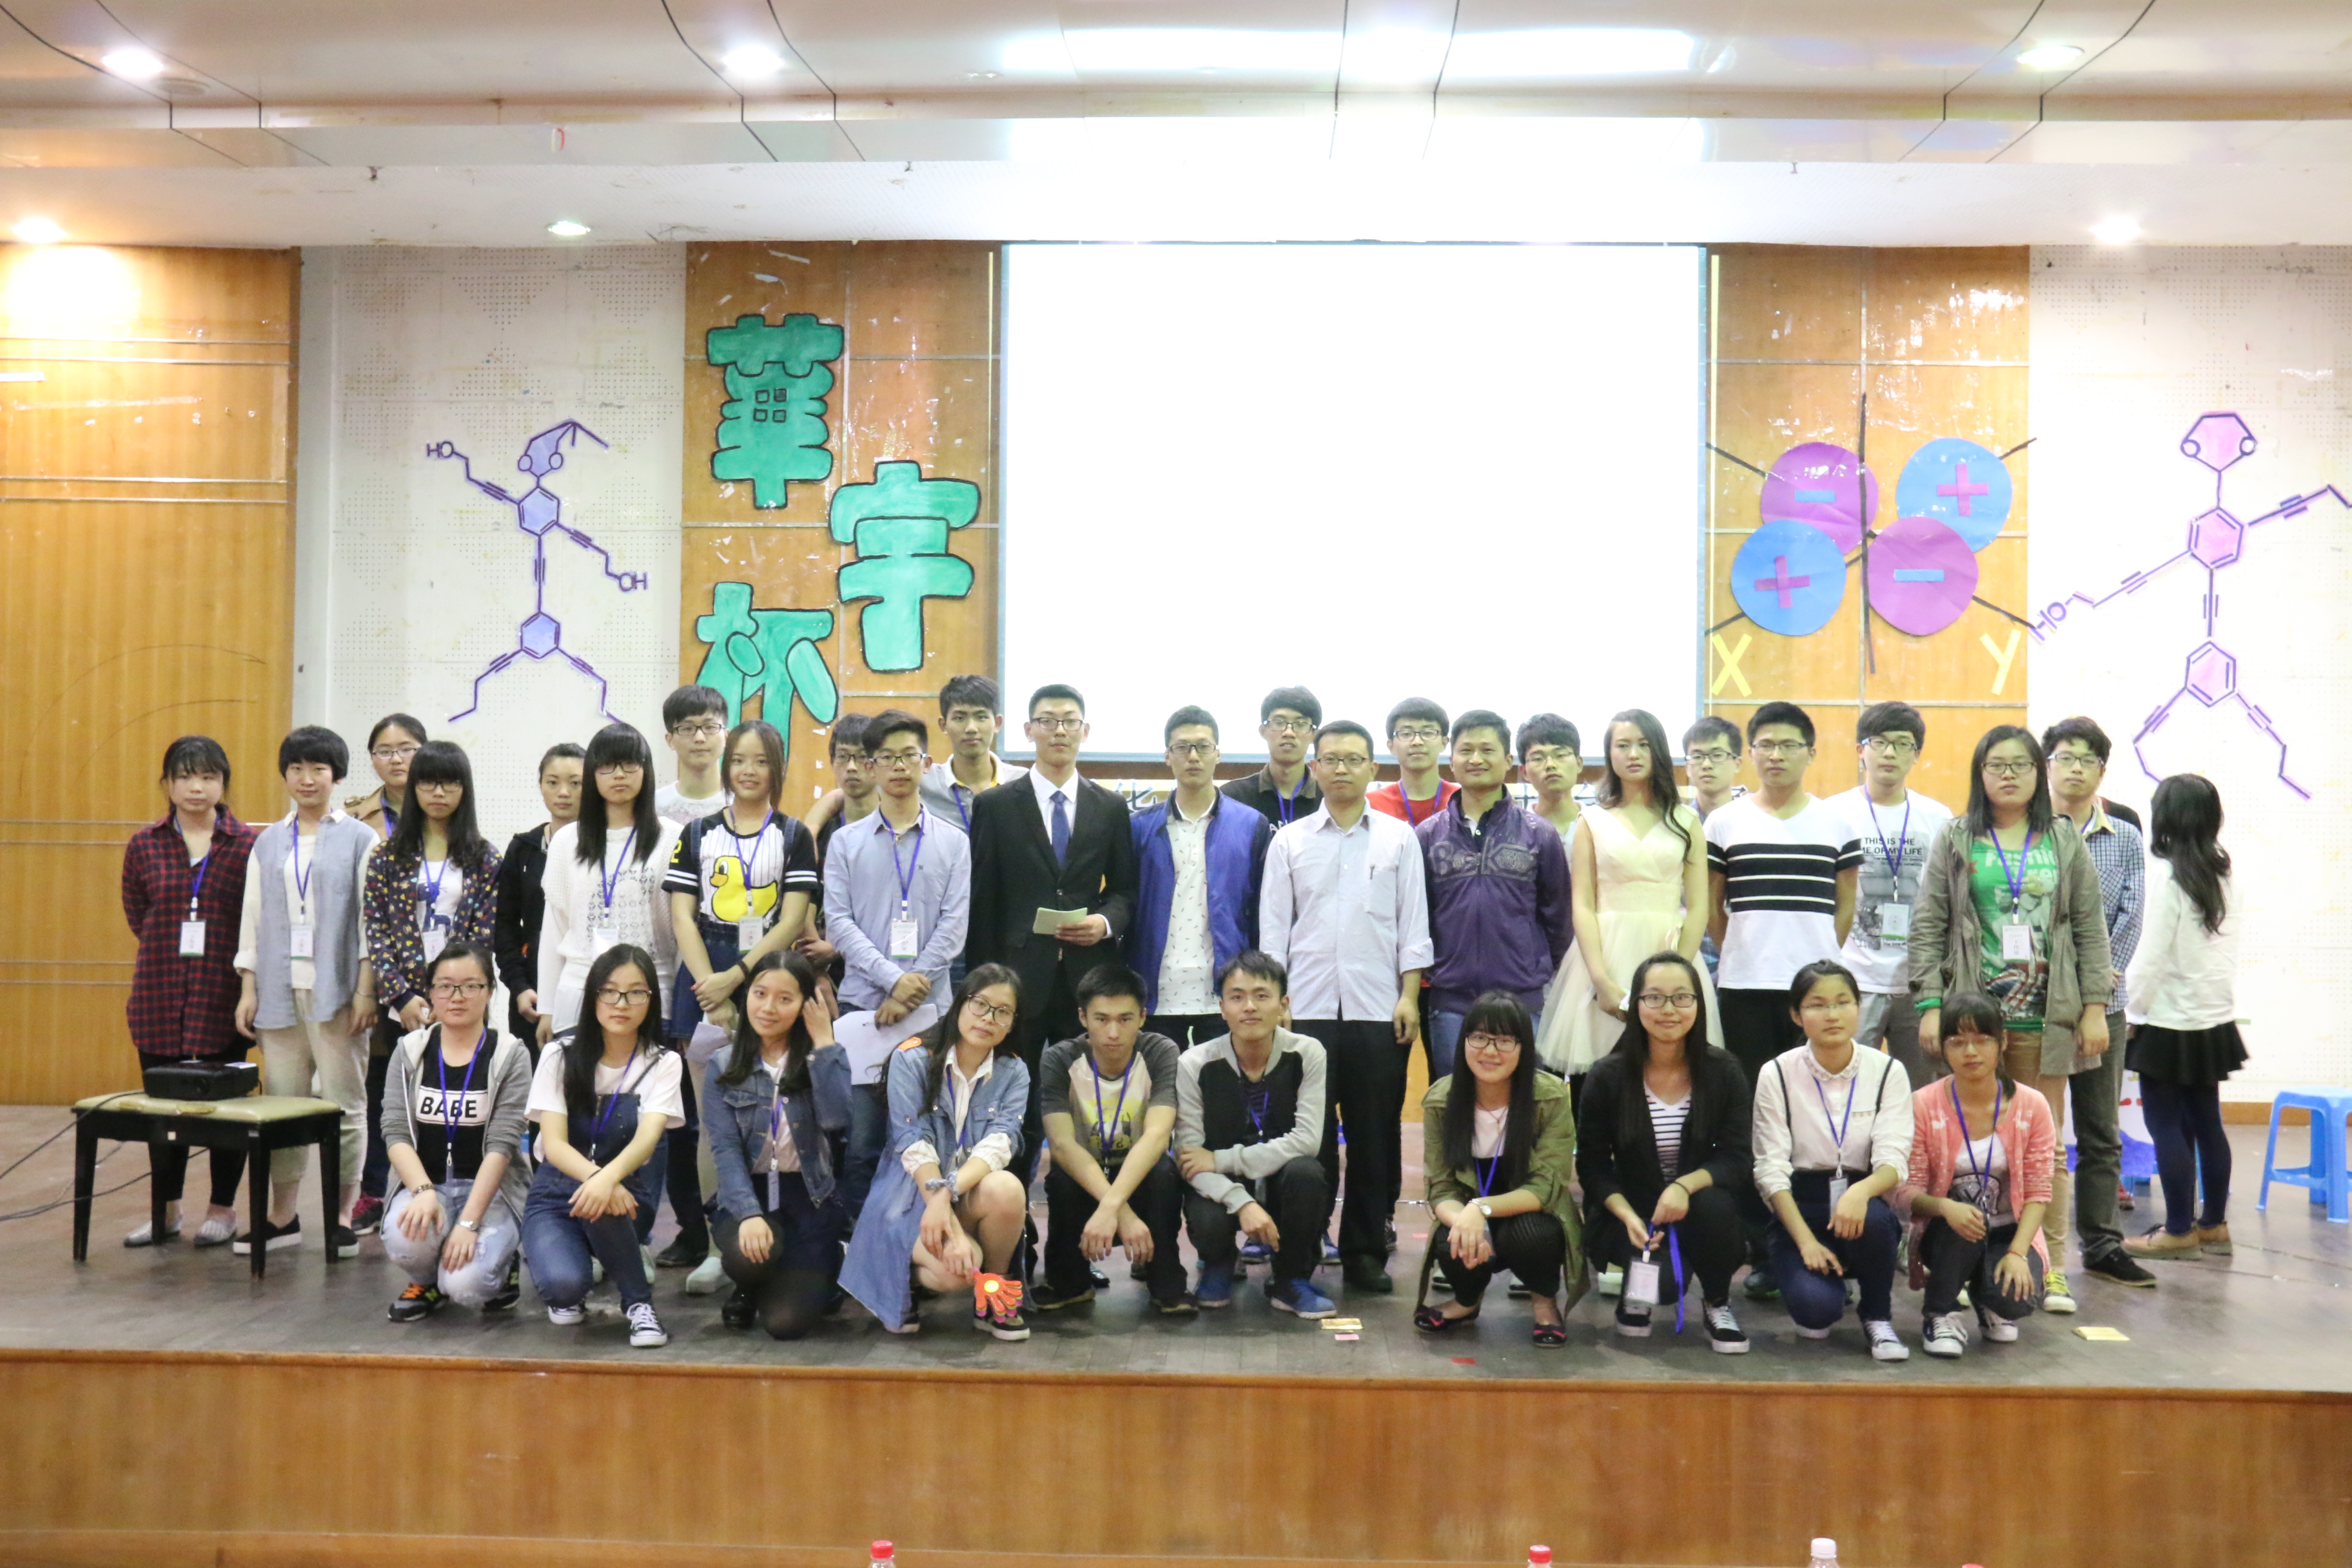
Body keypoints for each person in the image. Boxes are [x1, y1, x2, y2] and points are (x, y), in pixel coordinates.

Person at [1908, 725, 2113, 1316]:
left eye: (2020, 765)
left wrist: (2094, 1007)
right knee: (1957, 1145)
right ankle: (1951, 1261)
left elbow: (2089, 926)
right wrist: (1930, 1005)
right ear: (1980, 773)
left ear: (2037, 773)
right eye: (1996, 765)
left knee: (2046, 1150)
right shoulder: (1956, 837)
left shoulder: (2063, 838)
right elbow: (1929, 924)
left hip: (2048, 1017)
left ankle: (2051, 1267)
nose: (2008, 775)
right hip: (1974, 1021)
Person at [1261, 720, 1429, 1293]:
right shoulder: (1289, 842)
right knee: (1306, 1139)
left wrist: (1409, 996)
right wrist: (1277, 1004)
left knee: (1373, 1137)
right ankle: (1303, 1247)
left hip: (1378, 1009)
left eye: (1353, 759)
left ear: (1372, 769)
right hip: (1304, 1010)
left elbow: (1414, 925)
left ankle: (1364, 1252)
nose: (1340, 769)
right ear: (1314, 768)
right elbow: (1273, 932)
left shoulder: (1399, 839)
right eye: (1330, 759)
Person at [661, 718, 819, 1275]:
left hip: (770, 976)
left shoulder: (794, 834)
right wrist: (712, 987)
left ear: (777, 768)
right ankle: (717, 1244)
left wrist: (739, 978)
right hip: (703, 978)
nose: (749, 771)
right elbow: (682, 916)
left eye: (761, 761)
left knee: (776, 1110)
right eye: (740, 761)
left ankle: (778, 1227)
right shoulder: (697, 833)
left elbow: (793, 918)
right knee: (714, 1123)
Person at [963, 683, 1137, 1183]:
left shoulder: (1110, 806)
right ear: (1028, 730)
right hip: (1016, 983)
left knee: (1083, 1108)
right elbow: (983, 901)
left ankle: (1076, 1226)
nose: (1059, 730)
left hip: (1086, 980)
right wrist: (982, 985)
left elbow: (1125, 890)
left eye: (1069, 721)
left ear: (1085, 731)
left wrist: (1104, 923)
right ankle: (1011, 1216)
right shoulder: (997, 805)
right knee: (1011, 1106)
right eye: (1047, 720)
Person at [231, 725, 378, 1257]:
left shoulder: (361, 838)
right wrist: (248, 987)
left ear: (337, 776)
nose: (307, 778)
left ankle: (340, 1216)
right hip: (278, 990)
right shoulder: (269, 841)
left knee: (344, 1106)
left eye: (318, 768)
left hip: (337, 991)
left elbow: (370, 921)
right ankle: (283, 1216)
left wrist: (366, 991)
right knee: (282, 1107)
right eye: (296, 768)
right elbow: (253, 917)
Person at [821, 709, 970, 1226]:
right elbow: (839, 923)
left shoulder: (954, 841)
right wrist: (892, 981)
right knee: (862, 1142)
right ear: (872, 766)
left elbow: (954, 927)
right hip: (865, 1009)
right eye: (888, 757)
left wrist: (909, 991)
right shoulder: (846, 843)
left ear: (927, 763)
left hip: (931, 1014)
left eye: (910, 756)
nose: (900, 767)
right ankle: (860, 1247)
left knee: (926, 1136)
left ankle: (921, 1244)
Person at [840, 965, 1033, 1339]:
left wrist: (947, 1194)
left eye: (1002, 1012)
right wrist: (945, 1214)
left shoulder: (1014, 1071)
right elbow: (912, 1142)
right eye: (980, 1004)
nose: (988, 1018)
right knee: (956, 1271)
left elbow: (1000, 1143)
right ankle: (902, 1277)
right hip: (909, 1193)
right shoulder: (911, 1058)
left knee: (1007, 1187)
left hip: (956, 1191)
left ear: (1012, 1023)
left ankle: (993, 1297)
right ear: (959, 1004)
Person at [119, 735, 257, 1247]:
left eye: (208, 777)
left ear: (223, 784)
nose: (196, 787)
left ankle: (222, 1210)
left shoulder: (247, 845)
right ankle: (166, 1211)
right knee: (163, 1113)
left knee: (227, 1113)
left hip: (224, 996)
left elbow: (255, 921)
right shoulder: (145, 845)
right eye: (185, 777)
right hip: (158, 995)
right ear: (167, 784)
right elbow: (139, 913)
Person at [1576, 952, 1752, 1352]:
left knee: (1715, 1205)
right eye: (1654, 997)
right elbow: (1593, 1166)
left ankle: (1717, 1301)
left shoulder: (1724, 1071)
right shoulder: (1607, 1076)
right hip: (1633, 1208)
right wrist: (1627, 1216)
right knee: (1664, 1287)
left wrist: (1683, 1187)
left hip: (1699, 1204)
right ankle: (1636, 1291)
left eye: (1682, 997)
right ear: (1636, 1004)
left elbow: (1736, 1158)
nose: (1669, 1009)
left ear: (1698, 1004)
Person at [359, 740, 501, 1231]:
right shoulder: (386, 856)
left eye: (450, 783)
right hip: (401, 1006)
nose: (439, 793)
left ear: (465, 789)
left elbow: (483, 935)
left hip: (462, 1004)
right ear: (414, 788)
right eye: (428, 783)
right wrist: (403, 996)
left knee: (463, 1103)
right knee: (402, 1107)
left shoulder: (484, 857)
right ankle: (406, 1201)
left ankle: (470, 1206)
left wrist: (449, 997)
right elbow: (376, 931)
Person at [520, 944, 682, 1348]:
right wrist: (599, 1179)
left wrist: (607, 1181)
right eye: (610, 991)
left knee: (605, 1202)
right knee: (563, 1287)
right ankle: (576, 1262)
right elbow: (554, 1145)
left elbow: (648, 1140)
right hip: (556, 1192)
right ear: (593, 996)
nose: (621, 1003)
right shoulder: (559, 1054)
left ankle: (639, 1306)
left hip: (627, 1195)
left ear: (652, 999)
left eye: (636, 993)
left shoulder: (663, 1062)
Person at [1752, 960, 1914, 1361]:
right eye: (1817, 1005)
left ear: (1859, 1008)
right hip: (1801, 1206)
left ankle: (1877, 1316)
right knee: (1815, 1316)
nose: (1832, 1014)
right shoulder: (1776, 1073)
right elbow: (1770, 1170)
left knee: (1875, 1220)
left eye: (1843, 1002)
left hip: (1861, 1200)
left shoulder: (1888, 1070)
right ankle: (1824, 1282)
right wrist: (1805, 1241)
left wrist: (1859, 1193)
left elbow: (1894, 1160)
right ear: (1796, 1015)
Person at [1542, 709, 1716, 1080]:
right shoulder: (1591, 820)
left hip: (1670, 949)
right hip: (1605, 954)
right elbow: (1582, 905)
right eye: (1623, 745)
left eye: (1643, 744)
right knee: (1601, 1074)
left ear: (1659, 751)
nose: (1633, 754)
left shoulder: (1686, 821)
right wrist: (1601, 980)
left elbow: (1699, 906)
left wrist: (1677, 974)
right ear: (1609, 754)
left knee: (1671, 1070)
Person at [2043, 716, 2153, 1291]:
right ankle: (2030, 1246)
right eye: (2065, 757)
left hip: (2103, 1004)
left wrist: (2095, 985)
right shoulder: (2029, 832)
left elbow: (2130, 917)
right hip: (2037, 1001)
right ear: (2048, 765)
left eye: (2088, 759)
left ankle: (2104, 1245)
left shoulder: (2126, 837)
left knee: (2100, 1131)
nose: (2076, 768)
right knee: (2034, 1129)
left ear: (2102, 771)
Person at [1415, 992, 1585, 1346]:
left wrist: (1481, 1208)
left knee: (1534, 1235)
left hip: (1530, 1211)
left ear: (1524, 1048)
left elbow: (1547, 1186)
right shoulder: (1441, 1100)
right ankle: (1467, 1302)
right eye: (1479, 1037)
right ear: (1463, 1042)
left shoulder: (1551, 1096)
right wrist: (1464, 1220)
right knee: (1451, 1239)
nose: (1490, 1051)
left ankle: (1544, 1304)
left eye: (1505, 1040)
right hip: (1471, 1211)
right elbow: (1441, 1187)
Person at [2122, 774, 2244, 1262]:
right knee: (2208, 1124)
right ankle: (2213, 1225)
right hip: (2212, 1019)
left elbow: (2149, 958)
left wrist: (2132, 1012)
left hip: (2168, 1022)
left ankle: (2177, 1231)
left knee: (2165, 1126)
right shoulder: (2224, 874)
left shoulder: (2167, 877)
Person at [1174, 952, 1336, 1318]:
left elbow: (1307, 1140)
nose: (1249, 1007)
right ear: (1222, 1008)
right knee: (1202, 1195)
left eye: (1262, 996)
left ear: (1283, 1005)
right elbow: (1189, 1157)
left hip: (1278, 1176)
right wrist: (1242, 1202)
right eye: (1237, 997)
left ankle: (1291, 1279)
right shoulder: (1194, 1063)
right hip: (1222, 1184)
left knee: (1307, 1172)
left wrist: (1220, 1159)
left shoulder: (1307, 1053)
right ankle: (1218, 1264)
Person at [1706, 702, 1860, 1083]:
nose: (1776, 755)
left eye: (1789, 745)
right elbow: (1712, 906)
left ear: (1811, 753)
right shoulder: (1724, 822)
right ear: (1751, 753)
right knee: (1749, 1089)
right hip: (1744, 983)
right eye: (1766, 745)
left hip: (1815, 987)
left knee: (1814, 1090)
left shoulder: (1838, 823)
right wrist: (1740, 951)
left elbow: (1846, 906)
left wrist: (1820, 956)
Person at [379, 943, 533, 1320]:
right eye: (445, 986)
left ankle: (502, 1268)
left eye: (471, 986)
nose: (457, 996)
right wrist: (422, 1190)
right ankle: (427, 1281)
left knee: (467, 1286)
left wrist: (467, 1223)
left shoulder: (510, 1054)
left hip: (491, 1193)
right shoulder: (410, 1051)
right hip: (428, 1186)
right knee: (404, 1239)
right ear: (430, 994)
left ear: (490, 992)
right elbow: (395, 1132)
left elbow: (502, 1146)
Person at [1416, 710, 1572, 1081]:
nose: (1476, 759)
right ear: (1451, 760)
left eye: (1487, 750)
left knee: (1526, 1103)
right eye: (1466, 750)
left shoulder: (1540, 834)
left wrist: (1533, 973)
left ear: (1508, 761)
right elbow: (1418, 918)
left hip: (1524, 1001)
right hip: (1450, 1002)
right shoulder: (1427, 835)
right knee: (1453, 1102)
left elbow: (1559, 920)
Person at [707, 950, 852, 1339]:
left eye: (785, 998)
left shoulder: (824, 1056)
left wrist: (824, 1042)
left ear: (806, 1005)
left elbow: (838, 1120)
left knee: (786, 1325)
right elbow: (725, 1150)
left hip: (808, 1196)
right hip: (749, 1191)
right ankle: (749, 1286)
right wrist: (748, 1214)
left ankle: (823, 1267)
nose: (768, 1008)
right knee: (750, 1256)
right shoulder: (723, 1064)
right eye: (760, 994)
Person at [1899, 992, 2053, 1358]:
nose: (1971, 1051)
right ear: (1942, 1048)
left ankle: (1990, 1302)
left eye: (1983, 1040)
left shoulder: (2031, 1105)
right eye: (1957, 1042)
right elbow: (1906, 1192)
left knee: (2014, 1300)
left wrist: (2018, 1253)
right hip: (1947, 1230)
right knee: (1965, 1222)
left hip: (2008, 1230)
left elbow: (2038, 1192)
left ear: (2003, 1042)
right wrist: (1944, 1207)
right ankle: (1940, 1312)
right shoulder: (1922, 1104)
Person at [1034, 963, 1193, 1315]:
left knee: (1164, 1173)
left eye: (1125, 1019)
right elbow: (1062, 1145)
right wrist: (1119, 1211)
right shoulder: (1059, 1059)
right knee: (1061, 1180)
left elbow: (1157, 1136)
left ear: (1143, 1017)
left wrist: (1112, 1207)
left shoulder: (1160, 1051)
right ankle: (1069, 1284)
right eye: (1101, 1019)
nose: (1113, 1032)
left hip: (1139, 1172)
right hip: (1084, 1174)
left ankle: (1166, 1283)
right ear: (1082, 1017)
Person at [1128, 705, 1270, 1048]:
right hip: (1155, 991)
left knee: (1225, 1083)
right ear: (1167, 756)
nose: (1193, 756)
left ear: (1218, 754)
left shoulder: (1251, 824)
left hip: (1227, 990)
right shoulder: (1139, 828)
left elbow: (1261, 911)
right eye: (1182, 747)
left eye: (1203, 747)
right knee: (1160, 1083)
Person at [1834, 703, 1955, 1091]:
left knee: (1923, 1094)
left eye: (1902, 744)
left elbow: (1948, 902)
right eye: (1879, 742)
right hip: (1853, 979)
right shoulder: (1833, 814)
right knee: (1847, 1089)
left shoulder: (1938, 818)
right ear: (1860, 750)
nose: (1889, 753)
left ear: (1916, 755)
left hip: (1917, 982)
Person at [536, 722, 683, 1042]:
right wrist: (547, 1007)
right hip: (580, 993)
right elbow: (555, 929)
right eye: (607, 766)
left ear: (646, 770)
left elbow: (683, 930)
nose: (619, 775)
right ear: (592, 773)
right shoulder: (567, 841)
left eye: (629, 764)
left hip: (652, 993)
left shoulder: (672, 838)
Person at [493, 743, 583, 1054]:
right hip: (530, 991)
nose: (563, 793)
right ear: (541, 785)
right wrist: (519, 987)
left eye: (576, 783)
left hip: (586, 982)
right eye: (553, 782)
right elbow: (504, 925)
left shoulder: (603, 848)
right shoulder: (523, 848)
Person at [921, 674, 1026, 834]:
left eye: (981, 717)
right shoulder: (924, 784)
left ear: (997, 724)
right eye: (959, 718)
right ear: (943, 725)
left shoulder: (1023, 783)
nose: (971, 728)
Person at [1683, 714, 1745, 981]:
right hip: (1688, 957)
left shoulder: (1753, 823)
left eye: (1717, 755)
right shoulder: (1676, 824)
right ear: (1687, 766)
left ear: (1738, 762)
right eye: (1697, 756)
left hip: (1743, 958)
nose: (1706, 765)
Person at [1220, 683, 1325, 832]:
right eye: (1279, 723)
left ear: (1314, 735)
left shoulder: (1328, 797)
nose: (1289, 733)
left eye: (1300, 724)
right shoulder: (1233, 797)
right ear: (1263, 731)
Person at [1368, 698, 1458, 827]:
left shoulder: (1461, 801)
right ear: (1391, 746)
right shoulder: (1371, 805)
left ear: (1444, 743)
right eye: (1406, 734)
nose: (1417, 742)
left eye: (1428, 733)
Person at [654, 683, 731, 825]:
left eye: (710, 727)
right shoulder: (654, 807)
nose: (699, 738)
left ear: (726, 736)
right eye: (687, 729)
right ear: (670, 740)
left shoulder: (743, 804)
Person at [345, 713, 425, 839]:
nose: (396, 760)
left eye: (406, 749)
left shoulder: (448, 811)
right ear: (372, 758)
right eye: (385, 752)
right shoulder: (350, 819)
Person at [1518, 712, 1583, 843]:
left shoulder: (1600, 823)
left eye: (1560, 755)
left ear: (1579, 764)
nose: (1550, 765)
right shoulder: (1515, 829)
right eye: (1538, 758)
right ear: (1524, 772)